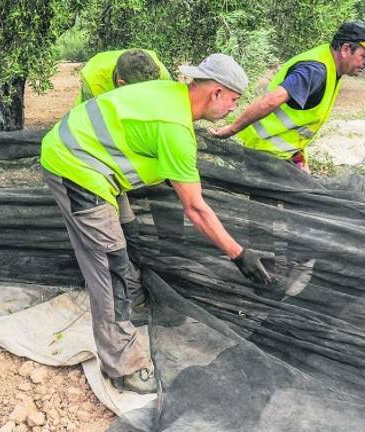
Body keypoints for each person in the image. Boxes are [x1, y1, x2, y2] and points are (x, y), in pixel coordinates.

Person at [40, 54, 272, 394]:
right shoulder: (175, 128)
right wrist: (239, 254)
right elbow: (195, 208)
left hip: (95, 162)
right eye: (234, 101)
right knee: (110, 266)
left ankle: (133, 306)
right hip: (74, 166)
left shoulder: (170, 94)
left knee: (128, 235)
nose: (234, 110)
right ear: (217, 93)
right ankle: (124, 364)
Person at [209, 21, 365, 173]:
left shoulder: (334, 68)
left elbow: (299, 117)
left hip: (283, 154)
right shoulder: (315, 71)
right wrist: (232, 129)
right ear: (346, 49)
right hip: (266, 155)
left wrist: (298, 154)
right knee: (266, 212)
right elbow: (270, 101)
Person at [75, 49, 171, 104]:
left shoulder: (160, 74)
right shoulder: (94, 83)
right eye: (142, 92)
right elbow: (90, 123)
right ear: (122, 84)